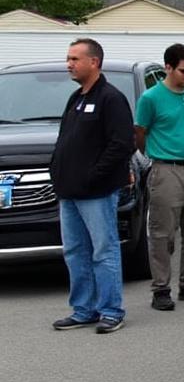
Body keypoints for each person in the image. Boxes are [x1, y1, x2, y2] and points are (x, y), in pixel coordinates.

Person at [50, 38, 136, 334]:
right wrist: (56, 170)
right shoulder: (76, 98)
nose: (69, 64)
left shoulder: (111, 99)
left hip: (96, 192)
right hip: (69, 191)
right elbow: (65, 140)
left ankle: (111, 310)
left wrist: (93, 175)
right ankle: (84, 309)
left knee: (103, 250)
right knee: (75, 251)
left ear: (94, 62)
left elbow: (121, 144)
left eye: (75, 59)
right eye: (68, 58)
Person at [135, 43, 184, 311]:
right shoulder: (151, 98)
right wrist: (155, 155)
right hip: (167, 168)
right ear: (168, 68)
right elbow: (140, 132)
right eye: (183, 71)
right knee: (163, 232)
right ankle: (161, 288)